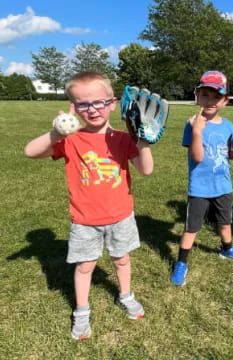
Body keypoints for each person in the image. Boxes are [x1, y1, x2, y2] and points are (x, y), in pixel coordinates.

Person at [24, 72, 153, 340]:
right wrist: (56, 132)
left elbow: (146, 170)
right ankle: (81, 311)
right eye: (83, 104)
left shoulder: (122, 138)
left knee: (122, 259)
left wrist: (143, 139)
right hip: (85, 220)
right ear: (73, 106)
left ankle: (126, 295)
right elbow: (30, 152)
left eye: (99, 102)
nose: (92, 109)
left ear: (113, 103)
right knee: (85, 267)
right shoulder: (70, 139)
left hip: (121, 216)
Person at [171, 70, 233, 286]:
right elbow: (197, 158)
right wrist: (197, 132)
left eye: (217, 97)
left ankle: (227, 249)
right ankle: (181, 262)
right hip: (200, 187)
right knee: (192, 228)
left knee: (225, 223)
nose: (211, 101)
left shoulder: (228, 125)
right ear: (197, 95)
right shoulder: (192, 124)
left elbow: (230, 154)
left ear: (225, 100)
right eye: (206, 95)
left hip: (223, 185)